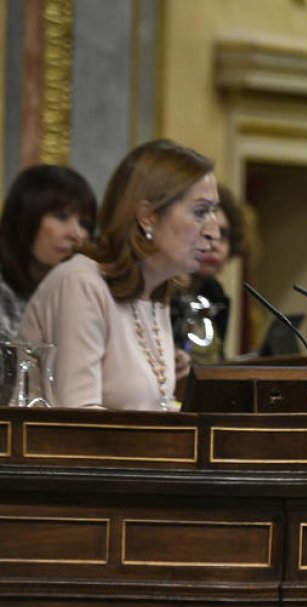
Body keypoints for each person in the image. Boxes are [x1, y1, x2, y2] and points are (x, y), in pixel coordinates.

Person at [18, 139, 220, 410]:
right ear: (147, 216)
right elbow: (79, 421)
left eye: (214, 212)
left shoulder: (154, 291)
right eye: (200, 212)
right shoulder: (82, 283)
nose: (213, 232)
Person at [0, 165, 96, 341]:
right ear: (25, 218)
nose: (76, 234)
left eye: (85, 224)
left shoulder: (83, 294)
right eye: (61, 216)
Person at [170, 183, 246, 363]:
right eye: (204, 232)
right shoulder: (160, 291)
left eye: (224, 234)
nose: (214, 244)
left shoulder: (215, 294)